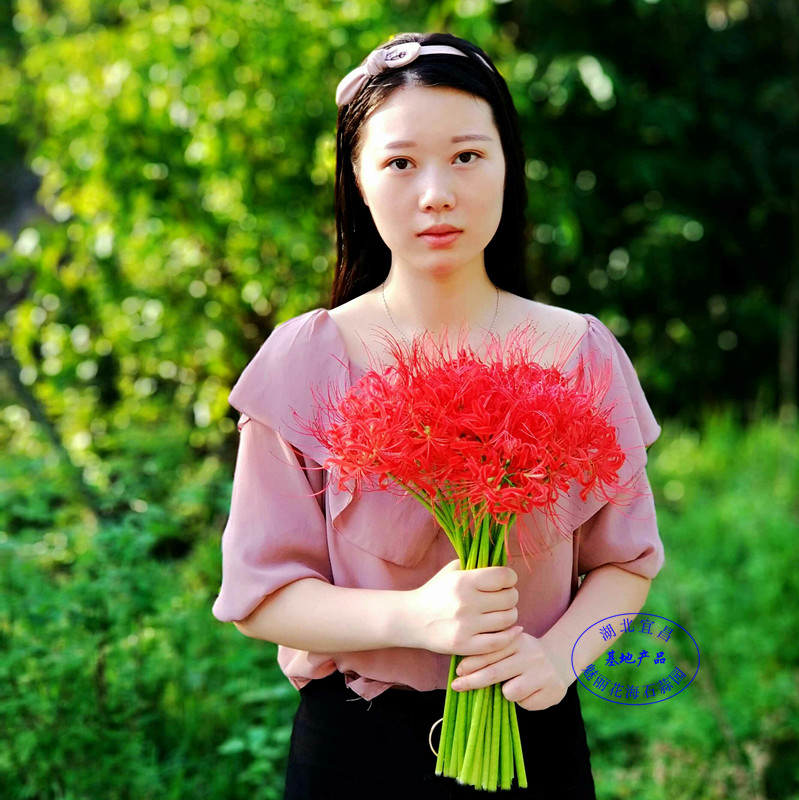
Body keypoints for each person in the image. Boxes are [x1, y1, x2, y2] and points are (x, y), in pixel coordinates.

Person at [211, 31, 665, 799]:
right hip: (352, 749)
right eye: (398, 162)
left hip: (535, 732)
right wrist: (414, 619)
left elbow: (626, 562)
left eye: (465, 156)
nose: (436, 194)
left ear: (506, 165)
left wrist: (558, 658)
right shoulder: (304, 360)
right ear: (356, 178)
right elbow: (260, 596)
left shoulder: (578, 350)